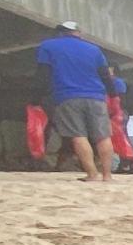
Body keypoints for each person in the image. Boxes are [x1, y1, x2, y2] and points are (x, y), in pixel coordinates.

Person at [34, 22, 117, 183]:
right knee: (103, 136)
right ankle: (107, 176)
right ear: (78, 33)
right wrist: (113, 95)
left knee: (78, 135)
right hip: (96, 97)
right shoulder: (94, 49)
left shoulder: (48, 46)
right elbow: (105, 75)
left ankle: (92, 174)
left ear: (60, 33)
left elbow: (43, 74)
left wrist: (36, 99)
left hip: (67, 96)